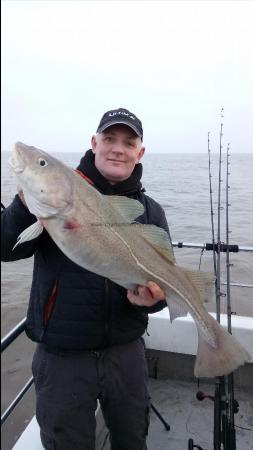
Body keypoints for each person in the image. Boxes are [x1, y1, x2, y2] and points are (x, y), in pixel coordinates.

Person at [1, 107, 173, 450]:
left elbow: (163, 288)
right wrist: (25, 201)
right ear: (94, 143)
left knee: (131, 438)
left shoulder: (150, 211)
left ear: (140, 152)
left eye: (128, 142)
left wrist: (154, 299)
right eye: (109, 138)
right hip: (62, 357)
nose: (117, 148)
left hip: (126, 354)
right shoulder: (55, 196)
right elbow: (7, 249)